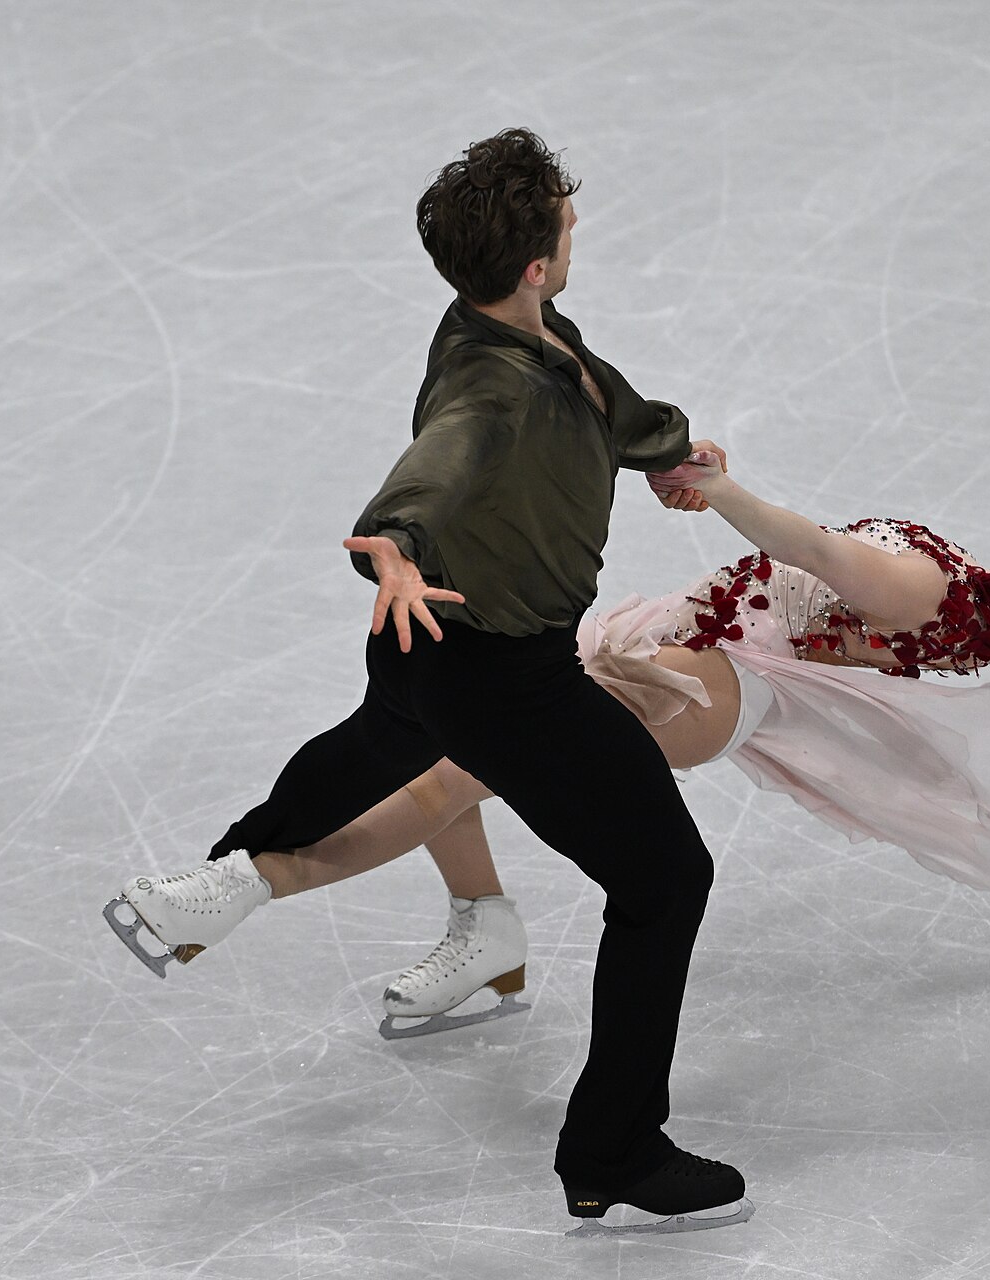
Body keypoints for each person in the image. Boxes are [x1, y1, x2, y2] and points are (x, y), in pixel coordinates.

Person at [103, 128, 751, 1236]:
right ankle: (612, 1148)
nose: (576, 220)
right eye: (563, 215)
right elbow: (434, 465)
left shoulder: (515, 328)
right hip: (510, 673)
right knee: (667, 876)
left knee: (380, 735)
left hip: (427, 648)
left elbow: (608, 400)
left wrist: (673, 453)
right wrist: (394, 545)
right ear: (538, 261)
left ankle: (228, 871)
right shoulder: (488, 389)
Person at [159, 451, 990, 1040]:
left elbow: (812, 551)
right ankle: (486, 930)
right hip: (700, 638)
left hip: (719, 679)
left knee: (455, 764)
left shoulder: (938, 595)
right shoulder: (975, 601)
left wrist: (718, 486)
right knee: (459, 748)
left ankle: (245, 884)